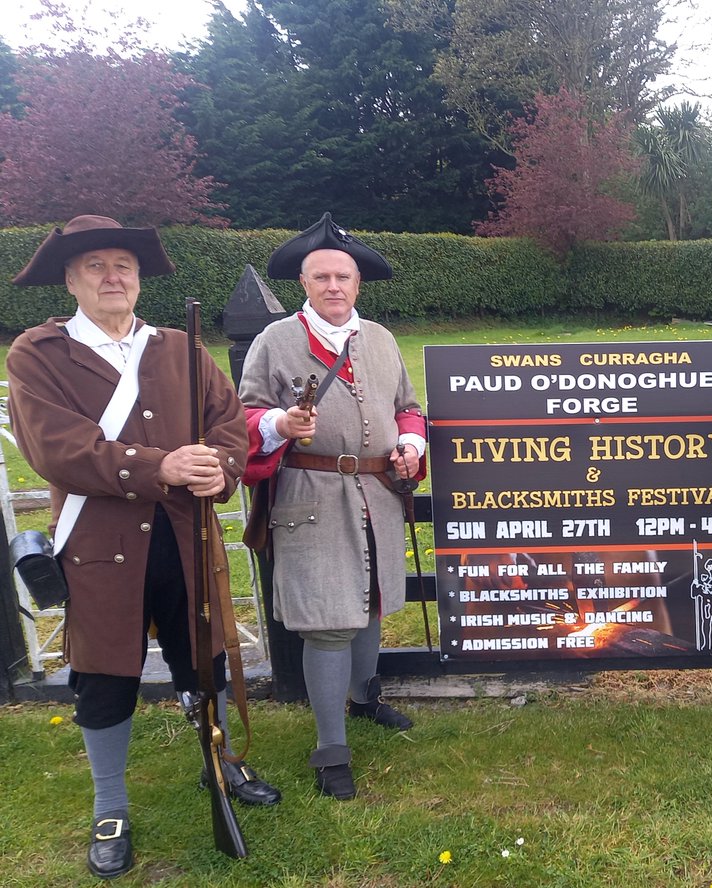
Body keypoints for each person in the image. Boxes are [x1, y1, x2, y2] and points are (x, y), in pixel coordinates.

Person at [5, 215, 281, 881]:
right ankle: (110, 806)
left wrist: (219, 465)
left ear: (137, 277)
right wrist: (161, 465)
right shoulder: (38, 355)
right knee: (104, 678)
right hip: (100, 546)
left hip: (186, 539)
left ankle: (220, 761)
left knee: (204, 660)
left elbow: (226, 423)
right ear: (70, 279)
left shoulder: (178, 347)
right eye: (95, 266)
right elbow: (57, 448)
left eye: (122, 265)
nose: (112, 277)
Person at [238, 213, 426, 800]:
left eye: (343, 276)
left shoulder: (382, 339)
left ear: (357, 283)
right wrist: (279, 423)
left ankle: (365, 698)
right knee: (327, 624)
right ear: (304, 282)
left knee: (369, 605)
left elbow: (407, 406)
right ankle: (330, 748)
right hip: (311, 497)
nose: (334, 287)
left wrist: (411, 443)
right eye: (321, 277)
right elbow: (241, 418)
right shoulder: (275, 341)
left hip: (376, 494)